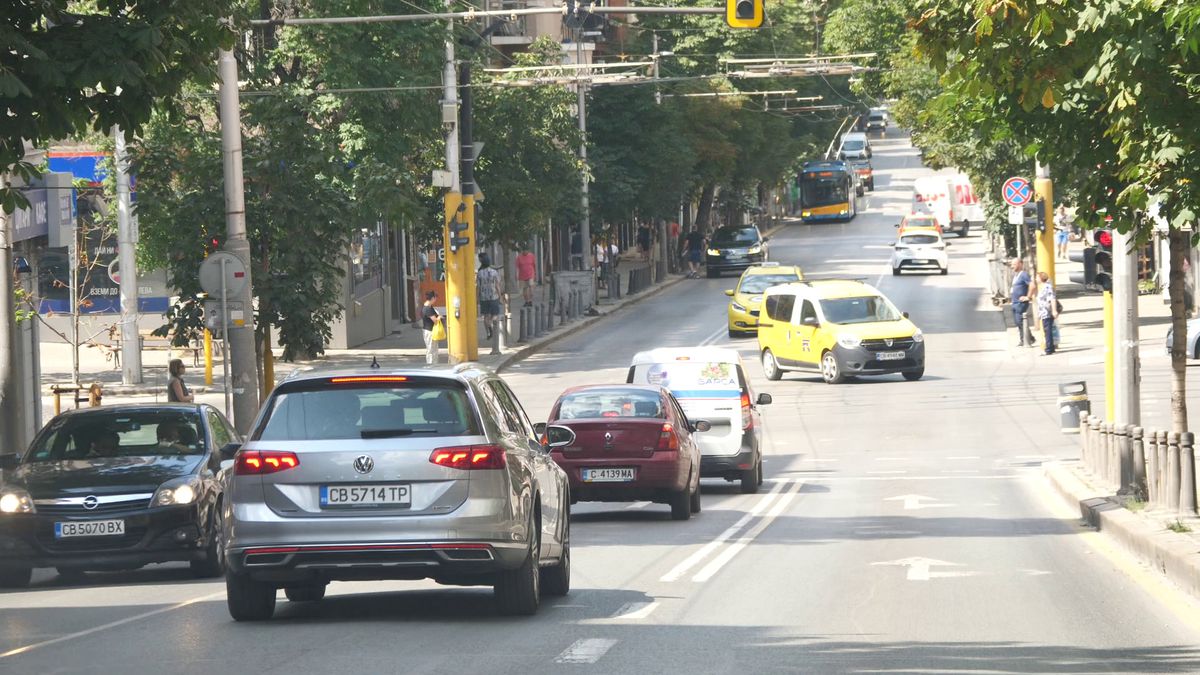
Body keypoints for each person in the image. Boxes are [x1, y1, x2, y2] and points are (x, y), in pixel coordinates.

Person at [477, 253, 502, 341]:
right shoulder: (494, 272)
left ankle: (488, 332)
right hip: (493, 296)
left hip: (483, 297)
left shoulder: (479, 273)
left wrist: (477, 298)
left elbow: (478, 287)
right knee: (495, 314)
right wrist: (500, 296)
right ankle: (492, 326)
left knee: (485, 316)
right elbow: (497, 285)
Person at [1011, 258, 1035, 347]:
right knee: (1018, 322)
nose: (1012, 266)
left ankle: (1027, 339)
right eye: (1012, 264)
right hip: (1015, 302)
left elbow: (1032, 285)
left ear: (1020, 264)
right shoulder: (1016, 275)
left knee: (1020, 321)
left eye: (1014, 264)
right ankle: (1026, 338)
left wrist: (1028, 297)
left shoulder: (1024, 275)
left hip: (1020, 303)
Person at [1036, 271, 1058, 355]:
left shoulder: (1047, 287)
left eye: (1037, 277)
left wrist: (1054, 310)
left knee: (1048, 331)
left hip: (1047, 312)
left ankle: (1048, 349)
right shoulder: (1043, 287)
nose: (1036, 279)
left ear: (1041, 278)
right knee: (1047, 331)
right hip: (1043, 312)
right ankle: (1051, 348)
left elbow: (1052, 298)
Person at [421, 290, 441, 365]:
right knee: (431, 350)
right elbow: (435, 320)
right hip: (429, 332)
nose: (435, 300)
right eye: (435, 298)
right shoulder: (428, 309)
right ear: (432, 298)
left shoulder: (429, 307)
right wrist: (439, 317)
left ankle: (434, 364)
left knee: (434, 349)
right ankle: (431, 365)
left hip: (431, 331)